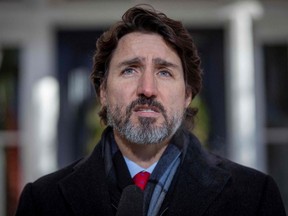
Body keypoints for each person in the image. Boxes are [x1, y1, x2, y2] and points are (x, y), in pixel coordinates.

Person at [15, 5, 286, 216]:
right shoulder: (42, 201)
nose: (147, 88)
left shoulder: (254, 197)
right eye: (130, 69)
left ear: (187, 95)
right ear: (103, 92)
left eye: (164, 72)